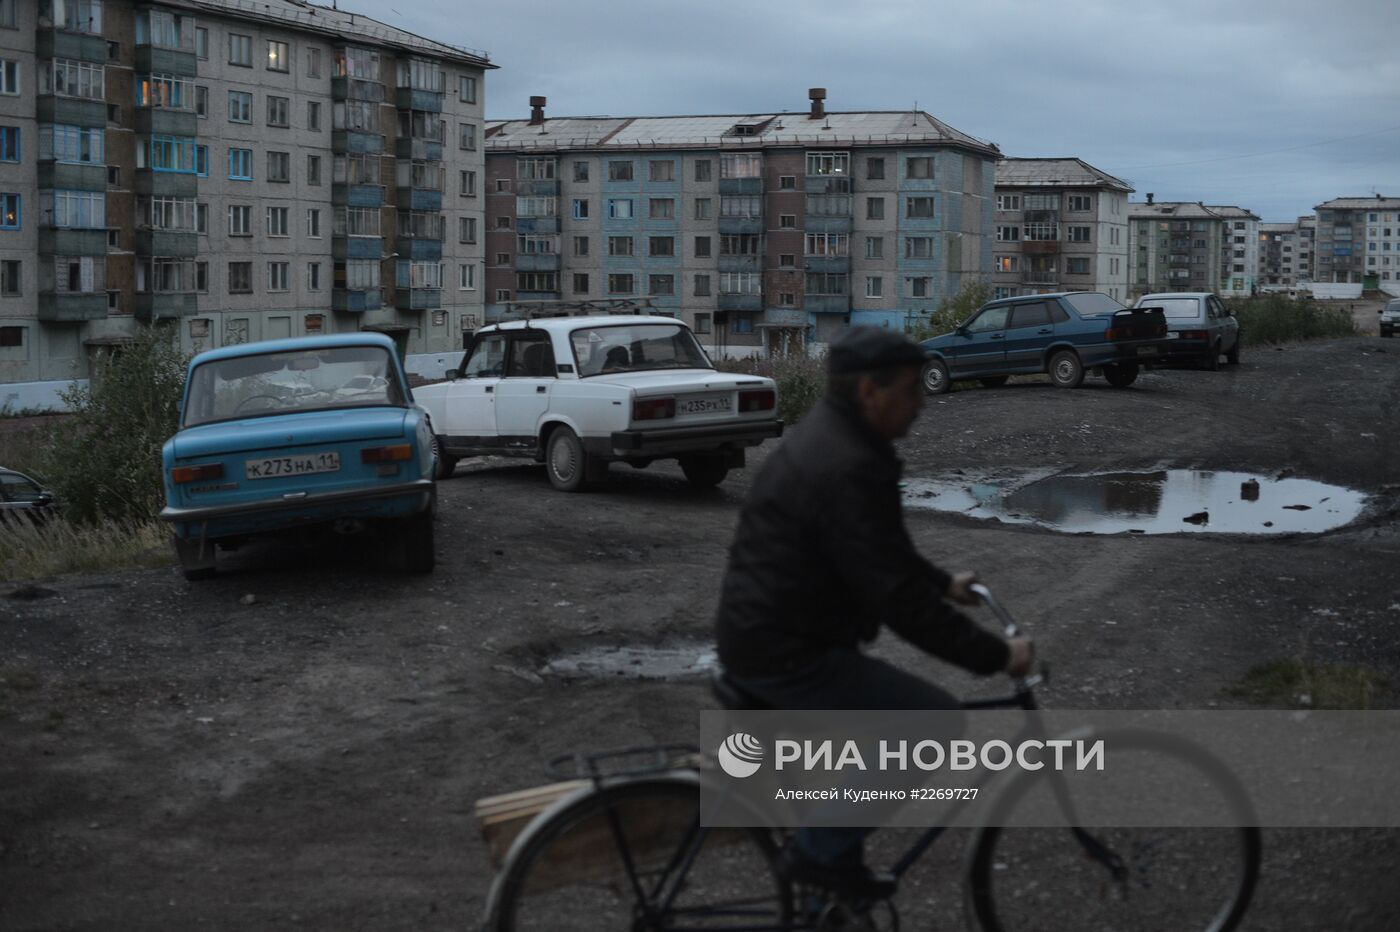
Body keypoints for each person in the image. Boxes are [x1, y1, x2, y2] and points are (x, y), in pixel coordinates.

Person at [714, 327, 1034, 899]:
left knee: (862, 760)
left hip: (770, 635)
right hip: (784, 653)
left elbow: (876, 551)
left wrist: (942, 583)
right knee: (931, 724)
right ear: (869, 391)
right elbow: (896, 601)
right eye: (911, 391)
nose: (921, 404)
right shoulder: (847, 464)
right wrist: (995, 655)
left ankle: (827, 885)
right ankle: (813, 855)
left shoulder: (837, 440)